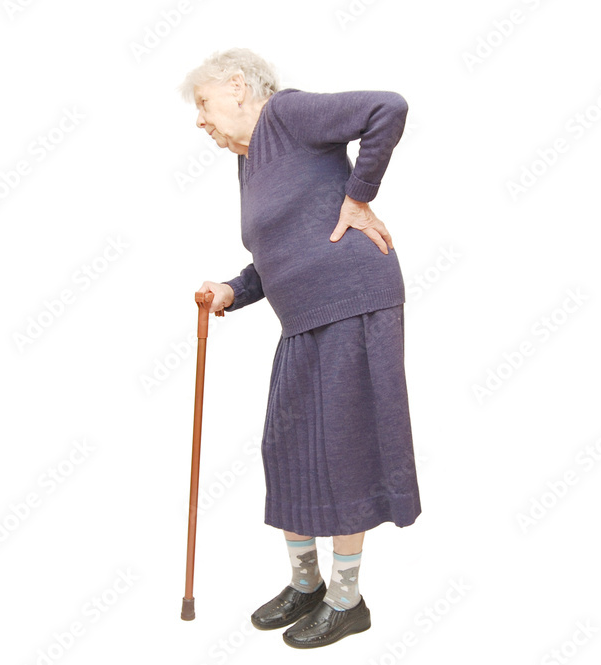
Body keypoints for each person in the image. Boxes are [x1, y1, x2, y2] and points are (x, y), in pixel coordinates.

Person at [179, 48, 421, 649]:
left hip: (352, 300)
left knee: (342, 449)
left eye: (203, 103)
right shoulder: (249, 162)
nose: (200, 119)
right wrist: (232, 290)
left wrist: (358, 196)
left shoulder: (286, 114)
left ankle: (346, 599)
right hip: (303, 319)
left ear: (238, 86)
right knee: (286, 448)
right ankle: (306, 583)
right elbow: (275, 256)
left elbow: (387, 108)